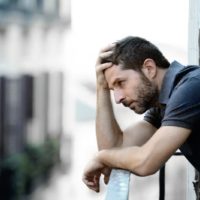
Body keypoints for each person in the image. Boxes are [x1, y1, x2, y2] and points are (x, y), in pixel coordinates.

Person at [82, 36, 200, 193]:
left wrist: (101, 157)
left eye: (121, 83)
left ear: (149, 68)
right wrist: (102, 88)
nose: (118, 99)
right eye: (112, 89)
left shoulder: (190, 87)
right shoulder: (163, 106)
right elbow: (114, 148)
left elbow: (146, 162)